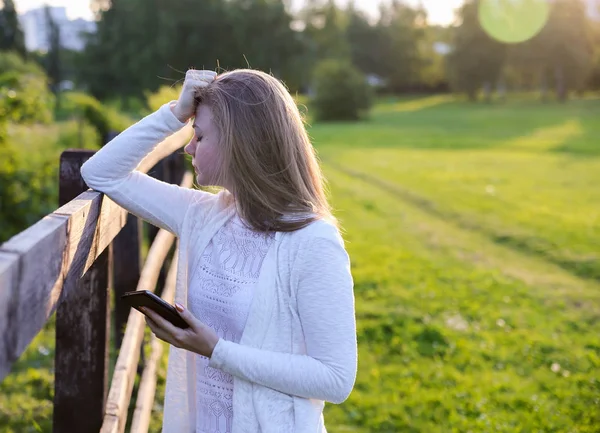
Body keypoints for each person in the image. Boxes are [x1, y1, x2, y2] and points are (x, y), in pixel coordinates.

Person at [80, 69, 357, 433]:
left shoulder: (313, 242)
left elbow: (335, 378)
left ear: (238, 143)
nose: (187, 147)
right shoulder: (202, 216)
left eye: (199, 135)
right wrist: (175, 114)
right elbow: (101, 173)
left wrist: (217, 350)